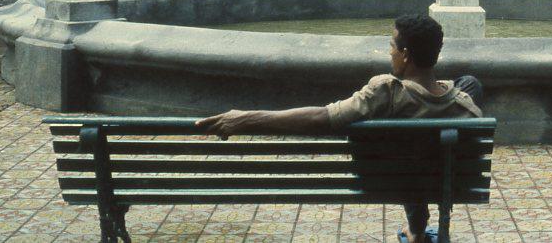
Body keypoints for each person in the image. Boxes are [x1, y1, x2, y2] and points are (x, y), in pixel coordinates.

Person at [197, 14, 483, 243]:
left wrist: (246, 118)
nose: (389, 53)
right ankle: (419, 232)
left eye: (392, 47)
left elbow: (322, 117)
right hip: (442, 178)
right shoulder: (465, 106)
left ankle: (417, 231)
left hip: (389, 176)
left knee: (409, 145)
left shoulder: (386, 90)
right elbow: (453, 96)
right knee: (469, 83)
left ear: (406, 55)